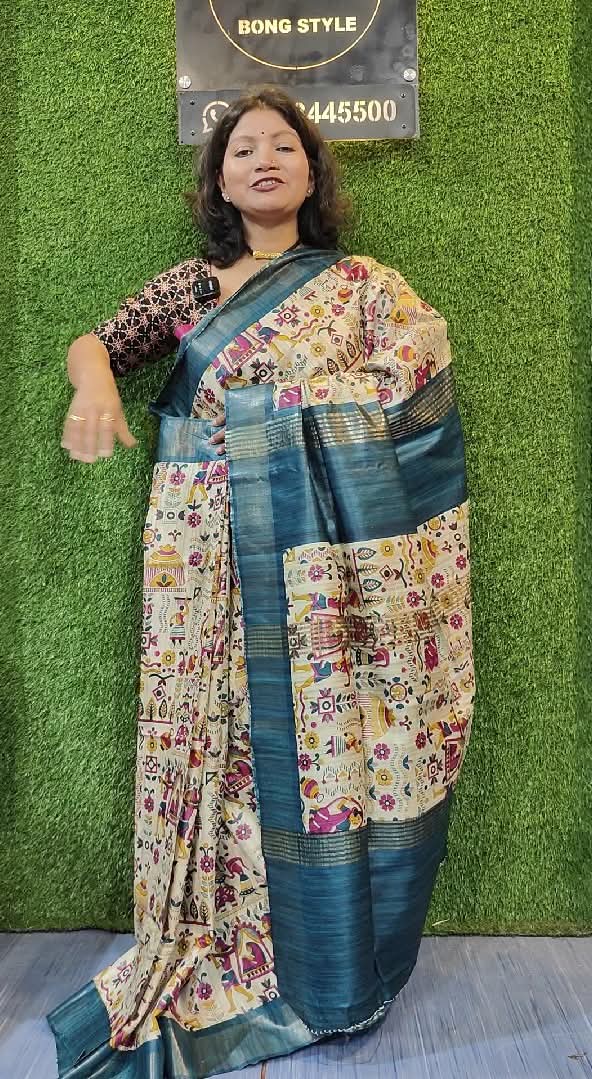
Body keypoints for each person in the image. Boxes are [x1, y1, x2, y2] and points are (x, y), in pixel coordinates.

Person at [48, 85, 475, 1078]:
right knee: (213, 740)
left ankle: (324, 962)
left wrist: (265, 414)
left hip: (327, 580)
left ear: (313, 173)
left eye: (284, 145)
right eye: (243, 148)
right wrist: (96, 379)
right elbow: (98, 341)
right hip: (200, 555)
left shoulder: (364, 287)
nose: (265, 159)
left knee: (321, 744)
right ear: (220, 180)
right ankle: (209, 936)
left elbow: (413, 379)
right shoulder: (192, 289)